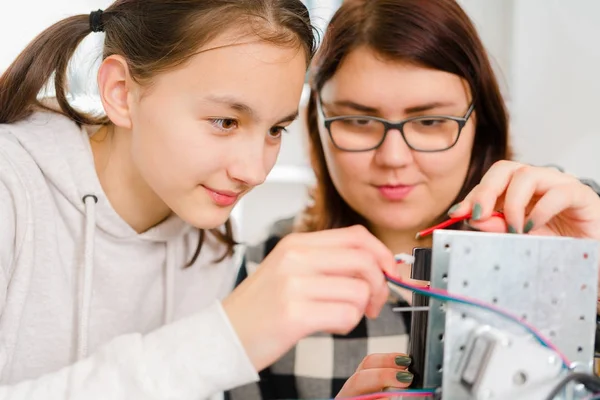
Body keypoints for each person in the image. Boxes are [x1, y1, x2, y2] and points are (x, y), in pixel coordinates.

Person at [0, 1, 409, 399]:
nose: (254, 172)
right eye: (225, 121)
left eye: (275, 130)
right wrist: (224, 338)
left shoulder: (208, 238)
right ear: (121, 92)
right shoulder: (11, 191)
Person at [227, 0, 600, 399]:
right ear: (317, 126)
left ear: (482, 125)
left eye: (429, 122)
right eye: (358, 121)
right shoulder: (268, 271)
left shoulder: (574, 243)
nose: (393, 158)